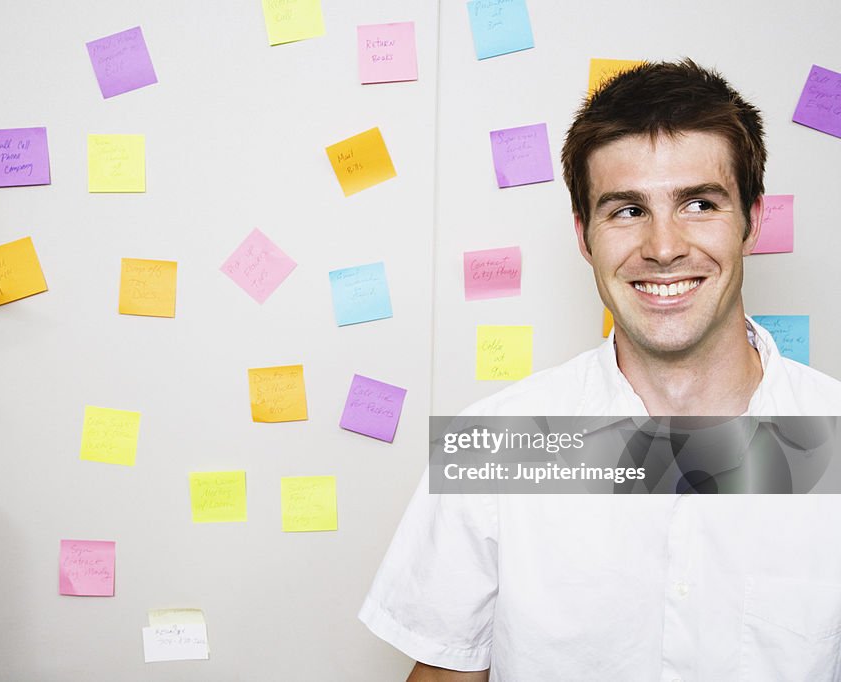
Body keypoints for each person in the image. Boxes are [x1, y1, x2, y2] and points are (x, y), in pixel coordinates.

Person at [359, 59, 841, 681]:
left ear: (753, 220)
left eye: (698, 203)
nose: (664, 248)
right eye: (626, 210)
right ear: (584, 236)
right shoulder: (497, 445)